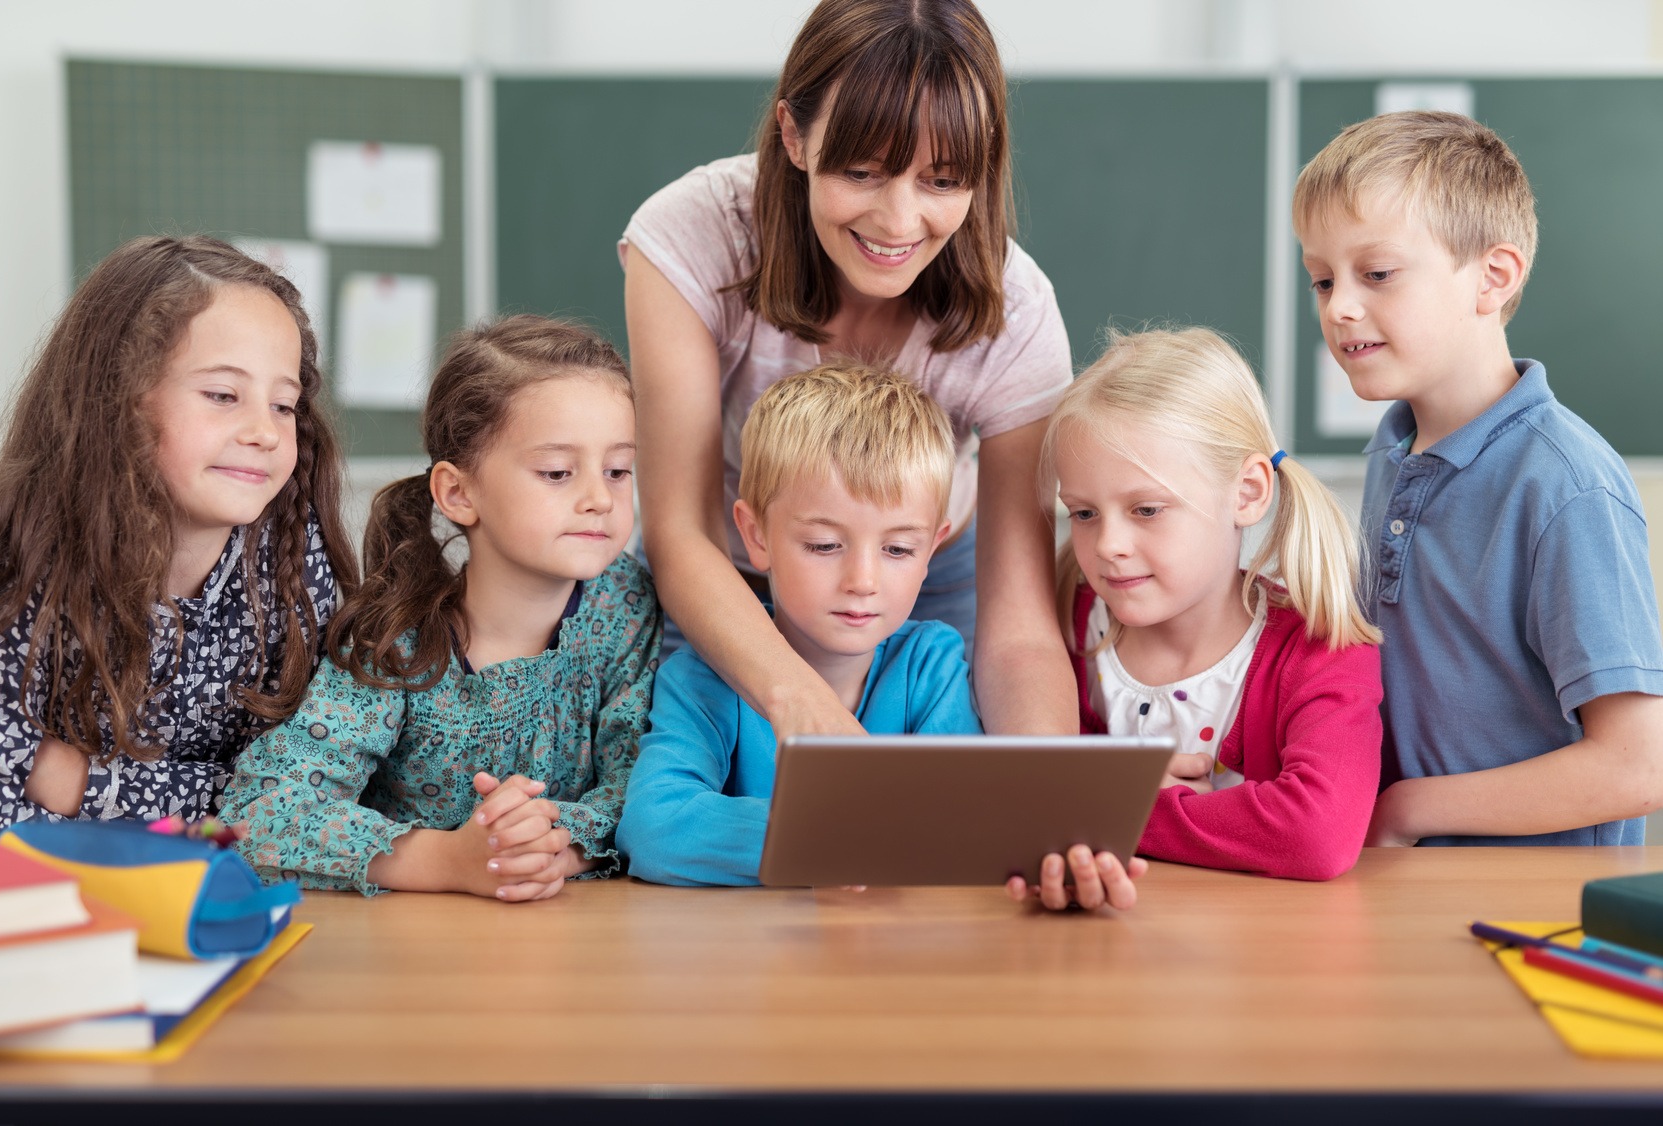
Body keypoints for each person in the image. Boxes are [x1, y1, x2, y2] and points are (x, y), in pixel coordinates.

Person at [621, 0, 1075, 751]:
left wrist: (1051, 800)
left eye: (941, 180)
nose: (898, 222)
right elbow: (682, 533)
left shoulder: (1017, 314)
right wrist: (807, 708)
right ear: (795, 136)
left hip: (923, 580)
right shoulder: (692, 236)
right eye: (861, 172)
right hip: (721, 573)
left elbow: (1020, 629)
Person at [1294, 110, 1663, 847]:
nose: (1339, 306)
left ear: (1491, 278)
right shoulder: (1390, 455)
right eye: (1321, 279)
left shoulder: (1564, 486)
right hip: (1409, 893)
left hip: (1532, 919)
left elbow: (1635, 764)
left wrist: (1405, 811)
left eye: (1376, 274)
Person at [222, 316, 661, 901]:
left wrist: (547, 844)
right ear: (458, 493)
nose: (600, 498)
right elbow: (261, 812)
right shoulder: (397, 640)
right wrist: (453, 860)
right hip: (409, 956)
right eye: (557, 472)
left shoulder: (626, 608)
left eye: (618, 470)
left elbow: (642, 788)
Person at [0, 235, 353, 834]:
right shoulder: (18, 560)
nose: (264, 431)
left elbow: (306, 796)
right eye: (223, 395)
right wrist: (210, 799)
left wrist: (79, 781)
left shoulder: (294, 561)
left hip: (231, 902)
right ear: (117, 401)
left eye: (285, 405)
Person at [1011, 327, 1384, 911]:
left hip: (1264, 961)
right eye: (1083, 513)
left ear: (1246, 492)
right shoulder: (1067, 628)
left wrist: (1119, 807)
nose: (1107, 543)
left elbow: (1318, 834)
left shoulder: (1320, 651)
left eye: (1146, 510)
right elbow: (1029, 804)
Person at [616, 364, 980, 886]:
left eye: (899, 549)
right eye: (824, 546)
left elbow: (964, 822)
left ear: (933, 549)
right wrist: (827, 840)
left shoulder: (931, 666)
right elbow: (653, 829)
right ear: (756, 535)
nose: (863, 580)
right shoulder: (702, 676)